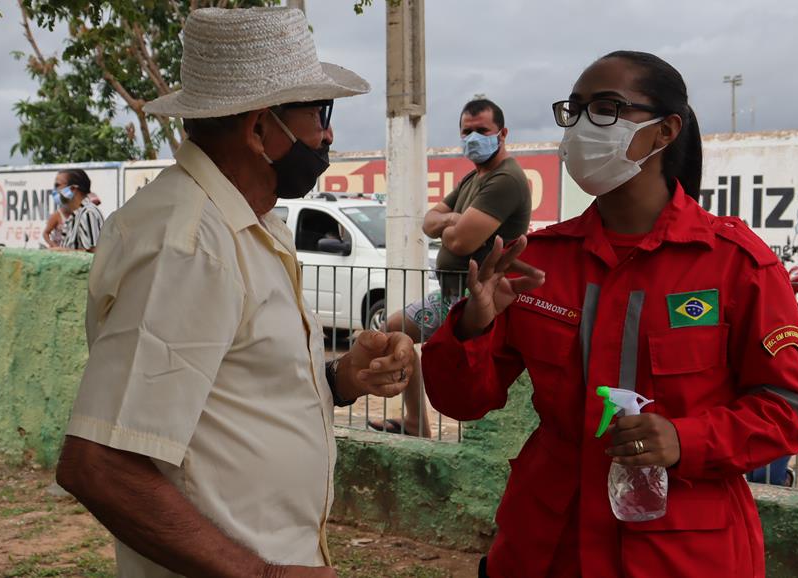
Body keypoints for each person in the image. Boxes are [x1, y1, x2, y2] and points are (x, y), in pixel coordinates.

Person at [421, 51, 798, 577]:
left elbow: (790, 408)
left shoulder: (735, 264)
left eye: (607, 108)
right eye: (578, 109)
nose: (586, 125)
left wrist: (686, 439)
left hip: (681, 553)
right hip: (545, 546)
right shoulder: (540, 261)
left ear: (665, 131)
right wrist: (472, 326)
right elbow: (459, 401)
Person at [55, 8, 416, 577]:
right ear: (258, 129)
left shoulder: (248, 223)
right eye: (318, 114)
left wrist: (343, 379)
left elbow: (233, 393)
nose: (327, 135)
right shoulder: (191, 244)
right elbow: (99, 465)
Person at [369, 98, 531, 437]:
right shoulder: (475, 177)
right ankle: (415, 423)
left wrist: (450, 223)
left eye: (481, 131)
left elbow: (460, 243)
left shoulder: (505, 180)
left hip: (475, 302)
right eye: (466, 132)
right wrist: (454, 219)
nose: (473, 138)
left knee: (451, 367)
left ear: (502, 134)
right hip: (449, 295)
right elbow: (427, 222)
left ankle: (432, 428)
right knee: (391, 331)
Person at [54, 169, 104, 252]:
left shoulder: (88, 213)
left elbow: (93, 254)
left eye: (57, 185)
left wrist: (61, 251)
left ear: (73, 188)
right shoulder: (74, 216)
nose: (55, 191)